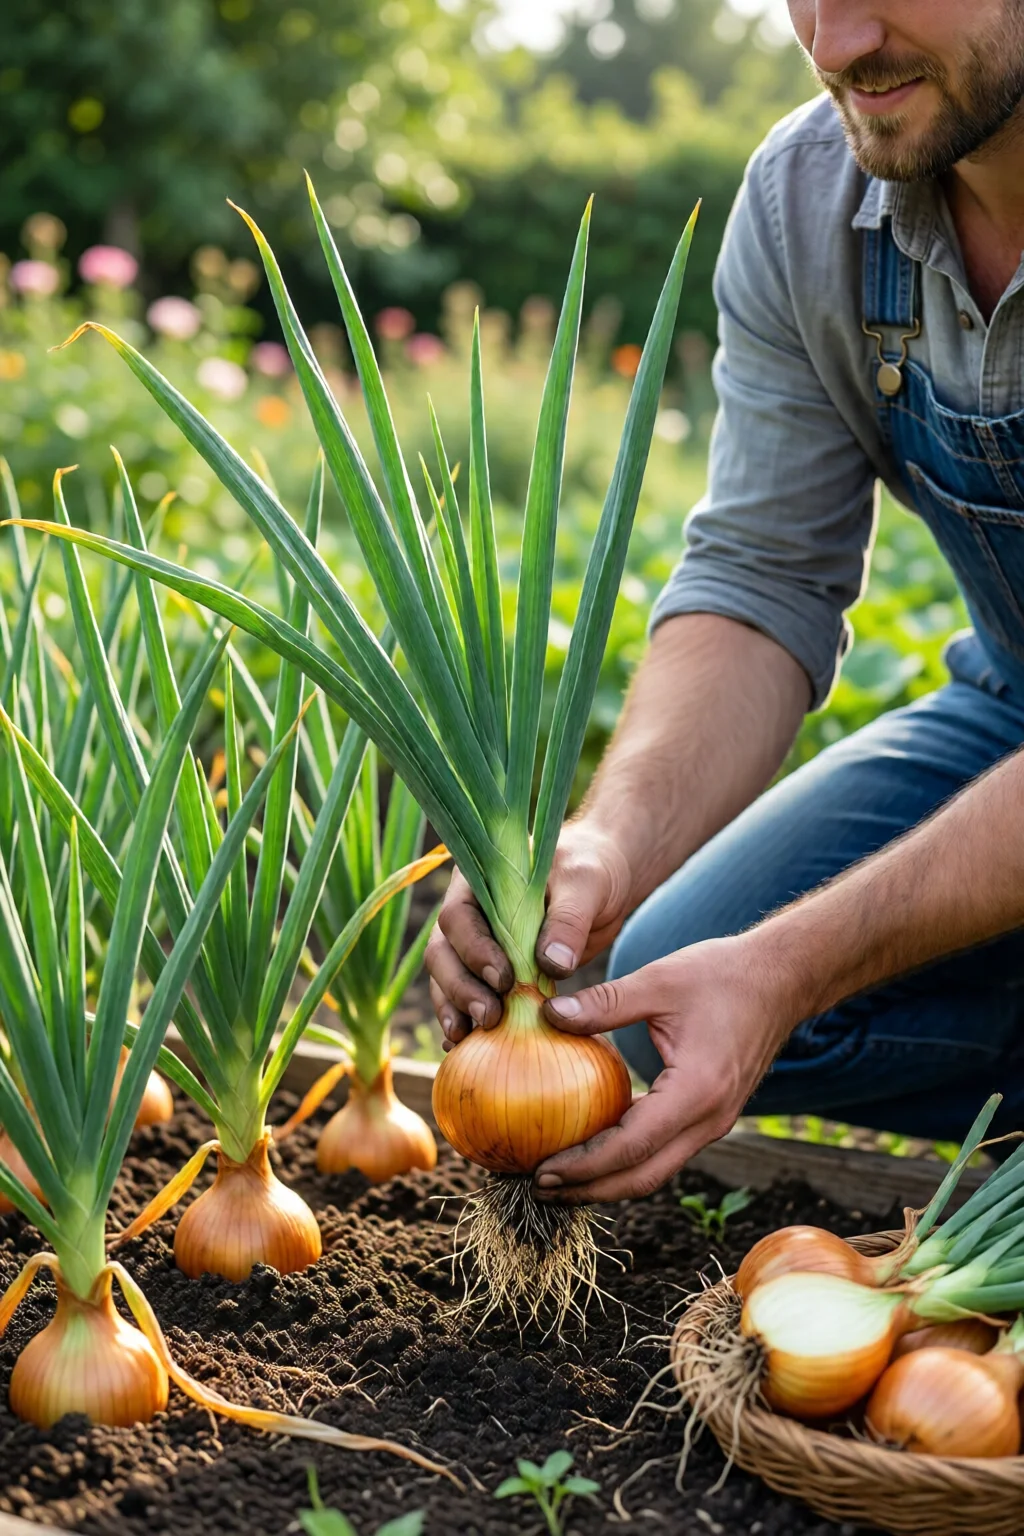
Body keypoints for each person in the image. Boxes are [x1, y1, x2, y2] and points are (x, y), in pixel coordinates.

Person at [426, 0, 1024, 1205]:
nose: (836, 41)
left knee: (768, 975)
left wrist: (795, 962)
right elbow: (762, 575)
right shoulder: (809, 198)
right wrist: (608, 841)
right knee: (656, 978)